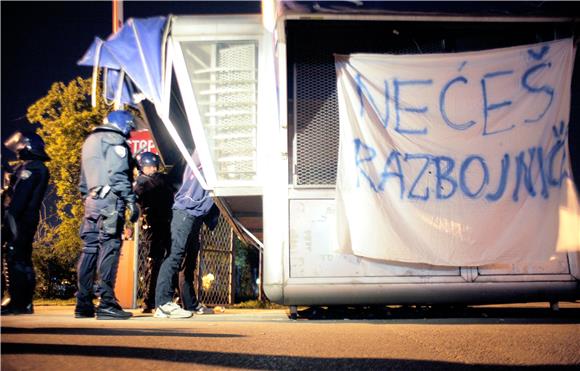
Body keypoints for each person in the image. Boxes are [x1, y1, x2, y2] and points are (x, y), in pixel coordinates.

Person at [75, 110, 140, 320]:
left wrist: (89, 197)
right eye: (130, 127)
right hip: (110, 201)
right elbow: (117, 173)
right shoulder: (115, 139)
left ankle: (83, 304)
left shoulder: (90, 140)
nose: (130, 131)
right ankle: (107, 303)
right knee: (110, 247)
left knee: (90, 249)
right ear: (123, 124)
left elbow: (84, 180)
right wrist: (130, 199)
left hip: (92, 201)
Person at [154, 151, 219, 318]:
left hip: (195, 214)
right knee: (175, 255)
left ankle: (190, 303)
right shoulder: (203, 152)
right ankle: (162, 304)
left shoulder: (209, 154)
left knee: (189, 262)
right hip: (185, 211)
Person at [1, 131, 50, 315]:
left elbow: (19, 201)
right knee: (19, 259)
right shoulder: (30, 167)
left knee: (17, 259)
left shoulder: (34, 168)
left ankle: (19, 302)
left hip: (21, 220)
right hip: (22, 219)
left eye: (21, 145)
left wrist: (7, 223)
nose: (18, 149)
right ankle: (20, 301)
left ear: (29, 146)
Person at [133, 151, 174, 313]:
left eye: (155, 167)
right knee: (154, 262)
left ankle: (165, 297)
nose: (153, 170)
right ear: (143, 168)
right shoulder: (141, 183)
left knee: (170, 260)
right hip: (153, 226)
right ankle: (149, 300)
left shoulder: (161, 180)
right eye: (149, 167)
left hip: (166, 224)